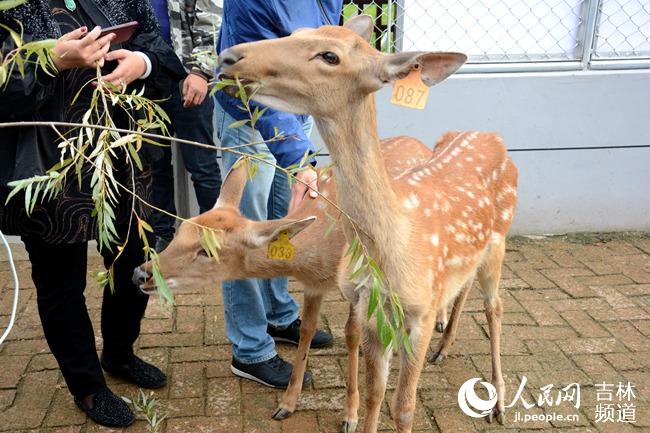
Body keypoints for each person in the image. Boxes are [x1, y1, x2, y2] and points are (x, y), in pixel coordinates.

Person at [0, 0, 185, 427]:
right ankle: (87, 385)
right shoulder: (11, 9)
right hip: (50, 170)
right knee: (60, 281)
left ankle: (119, 353)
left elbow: (162, 54)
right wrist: (50, 62)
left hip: (121, 157)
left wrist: (140, 63)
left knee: (134, 260)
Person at [215, 0, 342, 388]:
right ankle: (250, 350)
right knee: (245, 234)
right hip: (249, 114)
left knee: (285, 220)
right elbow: (251, 78)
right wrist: (300, 157)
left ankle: (278, 311)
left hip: (294, 114)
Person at [150, 0, 223, 252]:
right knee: (152, 165)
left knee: (202, 164)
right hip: (142, 80)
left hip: (187, 77)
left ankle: (211, 236)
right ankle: (161, 238)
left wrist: (201, 72)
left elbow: (213, 21)